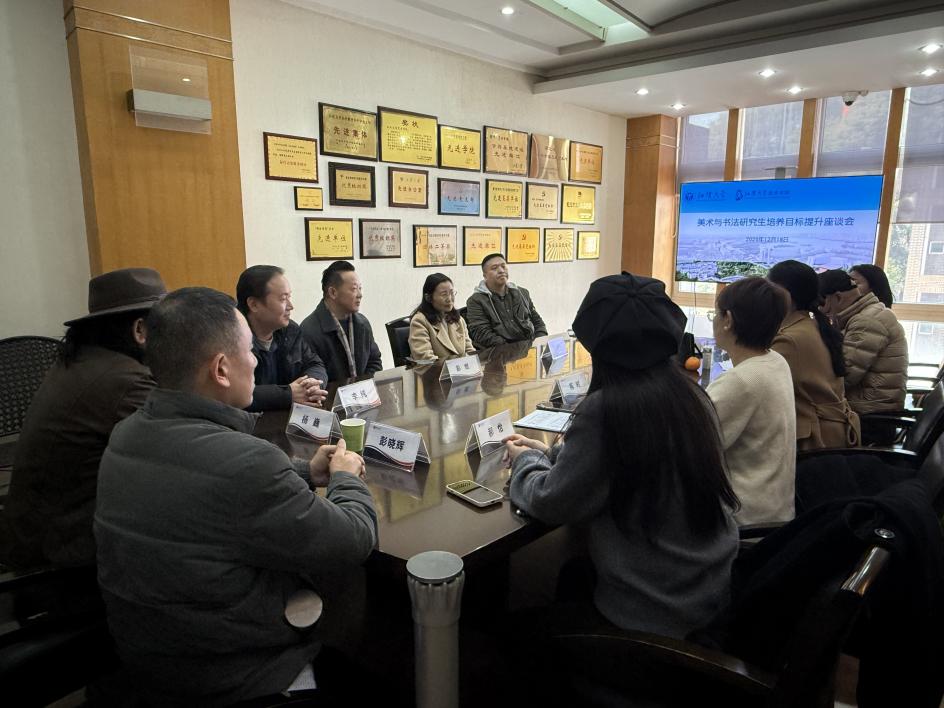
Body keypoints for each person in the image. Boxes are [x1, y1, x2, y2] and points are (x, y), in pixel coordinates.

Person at [94, 287, 377, 706]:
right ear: (221, 369)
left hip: (148, 660)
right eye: (249, 351)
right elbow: (354, 540)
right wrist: (345, 477)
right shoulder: (247, 461)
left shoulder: (126, 433)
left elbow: (206, 490)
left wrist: (304, 472)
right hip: (238, 674)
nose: (257, 361)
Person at [503, 272, 739, 638]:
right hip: (704, 594)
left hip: (650, 618)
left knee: (509, 630)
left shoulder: (608, 409)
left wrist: (524, 461)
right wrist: (551, 454)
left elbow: (550, 502)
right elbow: (625, 459)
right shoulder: (692, 397)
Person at [0, 267, 166, 571]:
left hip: (33, 537)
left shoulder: (84, 361)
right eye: (166, 328)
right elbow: (184, 443)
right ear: (140, 330)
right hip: (60, 560)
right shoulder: (125, 382)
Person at [707, 277, 796, 525]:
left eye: (715, 314)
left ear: (728, 320)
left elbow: (690, 447)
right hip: (775, 508)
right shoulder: (775, 361)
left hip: (742, 517)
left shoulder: (742, 380)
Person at [767, 260, 860, 450]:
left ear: (787, 296)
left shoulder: (790, 340)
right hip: (832, 436)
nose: (763, 298)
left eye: (768, 290)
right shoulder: (812, 326)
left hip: (813, 443)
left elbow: (758, 388)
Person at [818, 268, 908, 440]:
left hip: (871, 418)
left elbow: (846, 376)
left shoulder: (867, 321)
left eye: (822, 303)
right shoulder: (864, 314)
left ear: (838, 297)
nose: (820, 309)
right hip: (870, 409)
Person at [236, 265, 327, 411]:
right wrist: (287, 394)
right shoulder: (232, 339)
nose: (290, 306)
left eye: (289, 297)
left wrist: (312, 383)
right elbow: (233, 393)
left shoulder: (290, 331)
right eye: (283, 299)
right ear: (254, 304)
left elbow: (314, 363)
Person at [300, 260, 382, 382]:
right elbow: (312, 377)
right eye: (354, 289)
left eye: (360, 288)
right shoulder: (309, 330)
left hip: (362, 391)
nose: (360, 294)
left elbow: (374, 361)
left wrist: (364, 387)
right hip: (330, 394)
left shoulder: (362, 323)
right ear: (333, 292)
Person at [466, 252, 547, 349]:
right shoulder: (476, 301)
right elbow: (482, 334)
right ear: (485, 275)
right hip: (500, 352)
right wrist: (512, 349)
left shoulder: (522, 292)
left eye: (503, 266)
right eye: (494, 268)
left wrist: (540, 341)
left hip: (529, 348)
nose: (501, 270)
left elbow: (537, 321)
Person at [408, 272, 475, 361]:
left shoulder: (458, 320)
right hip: (436, 370)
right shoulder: (420, 321)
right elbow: (425, 359)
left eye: (452, 293)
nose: (449, 299)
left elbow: (469, 351)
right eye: (444, 294)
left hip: (461, 369)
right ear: (428, 298)